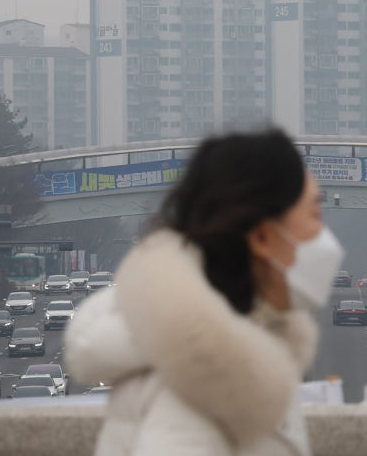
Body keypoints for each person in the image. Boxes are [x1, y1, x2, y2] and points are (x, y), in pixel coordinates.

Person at [65, 129, 345, 456]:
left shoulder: (218, 366)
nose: (323, 235)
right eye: (314, 215)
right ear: (262, 238)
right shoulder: (198, 394)